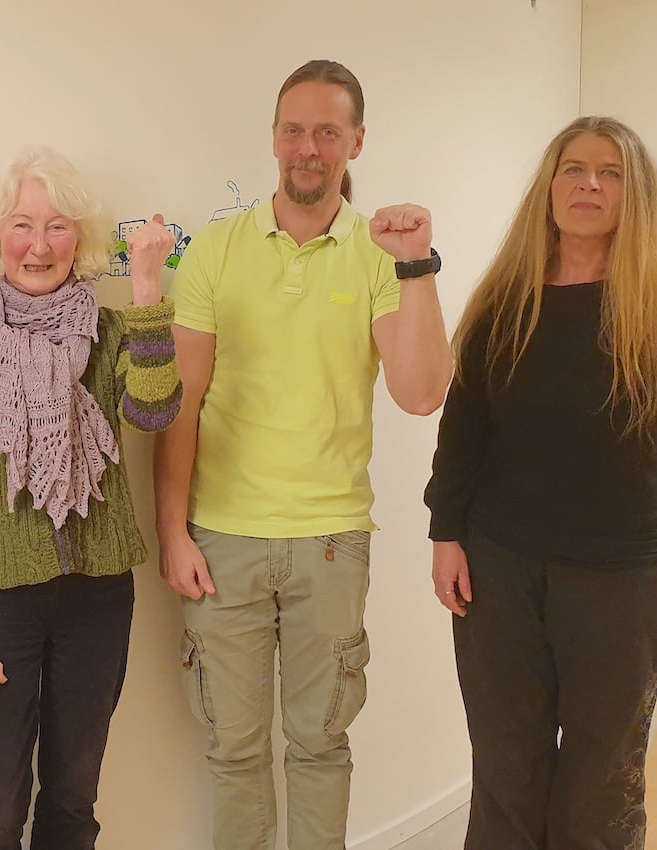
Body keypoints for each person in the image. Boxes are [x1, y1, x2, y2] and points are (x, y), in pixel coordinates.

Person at [426, 115, 657, 850]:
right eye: (574, 168)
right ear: (549, 185)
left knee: (603, 777)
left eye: (611, 173)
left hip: (620, 577)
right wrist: (446, 533)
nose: (589, 184)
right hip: (500, 568)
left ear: (635, 195)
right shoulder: (506, 296)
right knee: (504, 765)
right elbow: (464, 425)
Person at [152, 59, 453, 849]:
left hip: (330, 541)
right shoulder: (216, 250)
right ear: (273, 138)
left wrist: (416, 264)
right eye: (293, 130)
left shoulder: (381, 252)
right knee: (233, 751)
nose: (307, 148)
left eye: (326, 131)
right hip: (221, 538)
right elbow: (180, 403)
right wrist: (172, 531)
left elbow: (421, 392)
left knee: (320, 747)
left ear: (356, 141)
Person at [0, 147, 181, 849]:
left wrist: (147, 289)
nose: (39, 245)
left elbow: (154, 411)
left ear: (79, 241)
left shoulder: (111, 332)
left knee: (72, 800)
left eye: (58, 226)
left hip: (98, 596)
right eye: (22, 225)